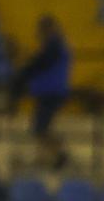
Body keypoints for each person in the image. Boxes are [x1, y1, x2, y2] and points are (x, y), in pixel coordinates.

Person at [9, 16, 71, 167]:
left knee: (40, 129)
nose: (39, 34)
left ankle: (60, 155)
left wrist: (22, 76)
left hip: (52, 92)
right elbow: (38, 63)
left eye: (41, 31)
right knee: (41, 128)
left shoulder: (54, 46)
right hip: (49, 91)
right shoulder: (55, 46)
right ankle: (55, 155)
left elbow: (38, 64)